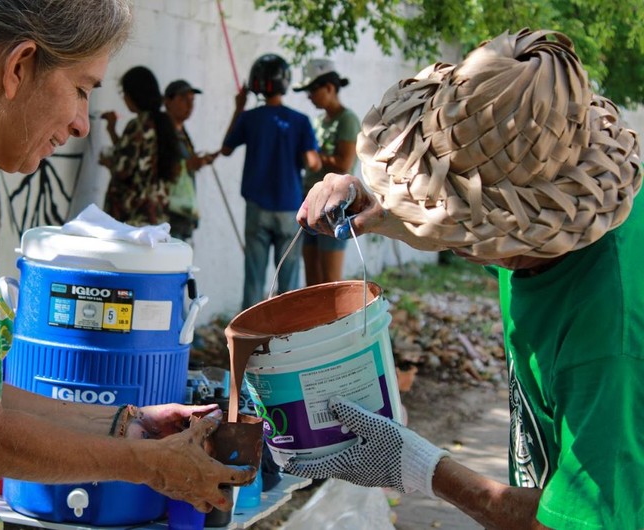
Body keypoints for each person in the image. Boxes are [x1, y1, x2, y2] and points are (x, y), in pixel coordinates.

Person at [0, 1, 254, 527]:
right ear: (19, 67)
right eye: (82, 89)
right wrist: (150, 467)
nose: (82, 123)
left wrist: (129, 423)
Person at [290, 29, 643, 528]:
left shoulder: (608, 342)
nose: (452, 241)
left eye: (459, 228)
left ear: (510, 233)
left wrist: (420, 467)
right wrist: (376, 204)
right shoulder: (564, 196)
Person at [220, 53, 321, 309]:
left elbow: (226, 149)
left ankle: (248, 341)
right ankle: (288, 341)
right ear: (285, 82)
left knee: (253, 279)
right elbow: (312, 163)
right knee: (289, 284)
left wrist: (239, 106)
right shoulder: (300, 121)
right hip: (290, 209)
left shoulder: (249, 118)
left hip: (256, 208)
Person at [293, 58, 360, 285]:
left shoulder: (347, 119)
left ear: (330, 87)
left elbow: (344, 163)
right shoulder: (317, 122)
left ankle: (336, 322)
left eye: (313, 90)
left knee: (330, 282)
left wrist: (314, 156)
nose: (309, 97)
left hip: (334, 208)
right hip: (310, 203)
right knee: (312, 280)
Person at [100, 66, 182, 226]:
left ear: (134, 94)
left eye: (124, 93)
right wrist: (112, 131)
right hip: (157, 213)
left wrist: (108, 161)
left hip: (132, 215)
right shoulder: (164, 123)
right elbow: (141, 157)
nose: (124, 98)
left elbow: (123, 169)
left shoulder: (138, 125)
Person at [163, 79, 217, 243]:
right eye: (183, 99)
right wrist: (188, 164)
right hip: (168, 213)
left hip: (182, 213)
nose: (190, 105)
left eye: (192, 100)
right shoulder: (162, 130)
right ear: (168, 101)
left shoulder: (182, 133)